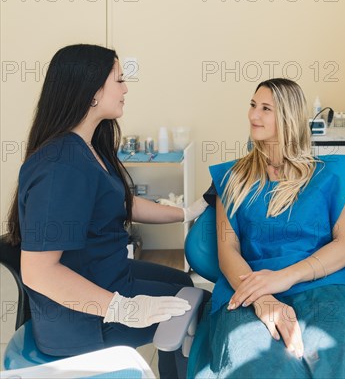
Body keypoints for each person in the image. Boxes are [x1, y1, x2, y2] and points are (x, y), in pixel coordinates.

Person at [6, 44, 209, 379]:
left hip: (105, 274)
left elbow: (122, 203)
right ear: (93, 92)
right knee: (199, 306)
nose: (126, 88)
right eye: (119, 80)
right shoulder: (61, 167)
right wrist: (124, 309)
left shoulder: (87, 148)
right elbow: (39, 272)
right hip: (82, 320)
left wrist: (185, 212)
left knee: (181, 282)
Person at [196, 78, 345, 378]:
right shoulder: (232, 177)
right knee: (254, 360)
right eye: (252, 105)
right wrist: (263, 298)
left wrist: (284, 278)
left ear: (288, 117)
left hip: (326, 283)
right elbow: (228, 249)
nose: (253, 115)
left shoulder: (324, 174)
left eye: (265, 108)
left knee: (341, 349)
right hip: (251, 284)